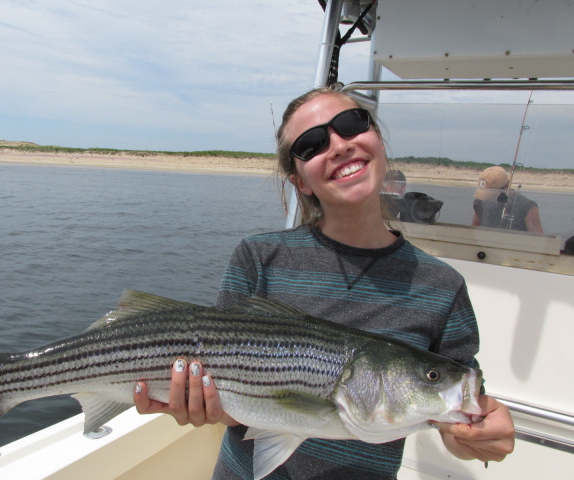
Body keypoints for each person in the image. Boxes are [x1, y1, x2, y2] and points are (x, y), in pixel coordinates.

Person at [133, 88, 515, 479]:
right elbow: (232, 395)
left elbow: (455, 416)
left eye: (351, 124)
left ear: (379, 142)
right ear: (300, 182)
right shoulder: (259, 256)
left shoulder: (442, 286)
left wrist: (477, 436)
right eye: (312, 143)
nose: (337, 145)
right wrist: (199, 403)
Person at [472, 166, 544, 233]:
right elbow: (473, 232)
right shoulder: (480, 203)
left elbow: (538, 240)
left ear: (506, 187)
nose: (487, 199)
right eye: (485, 195)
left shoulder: (527, 207)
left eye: (491, 195)